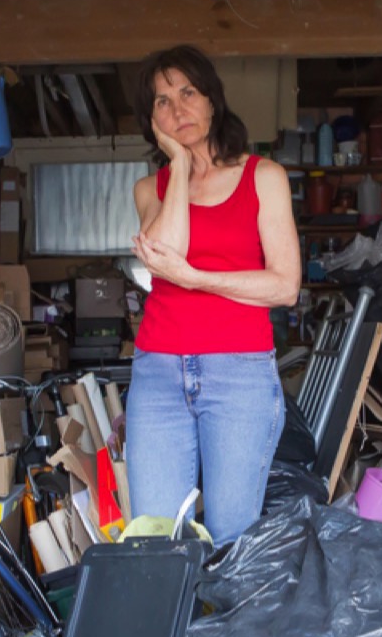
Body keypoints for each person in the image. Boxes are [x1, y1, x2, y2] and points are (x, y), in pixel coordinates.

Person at [126, 45, 301, 544]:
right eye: (161, 101)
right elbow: (165, 249)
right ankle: (171, 626)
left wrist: (197, 279)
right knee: (154, 537)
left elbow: (285, 286)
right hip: (158, 373)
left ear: (211, 100)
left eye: (187, 93)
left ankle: (228, 625)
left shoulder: (263, 177)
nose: (177, 109)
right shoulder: (150, 187)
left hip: (239, 376)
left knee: (230, 536)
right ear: (151, 120)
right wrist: (180, 165)